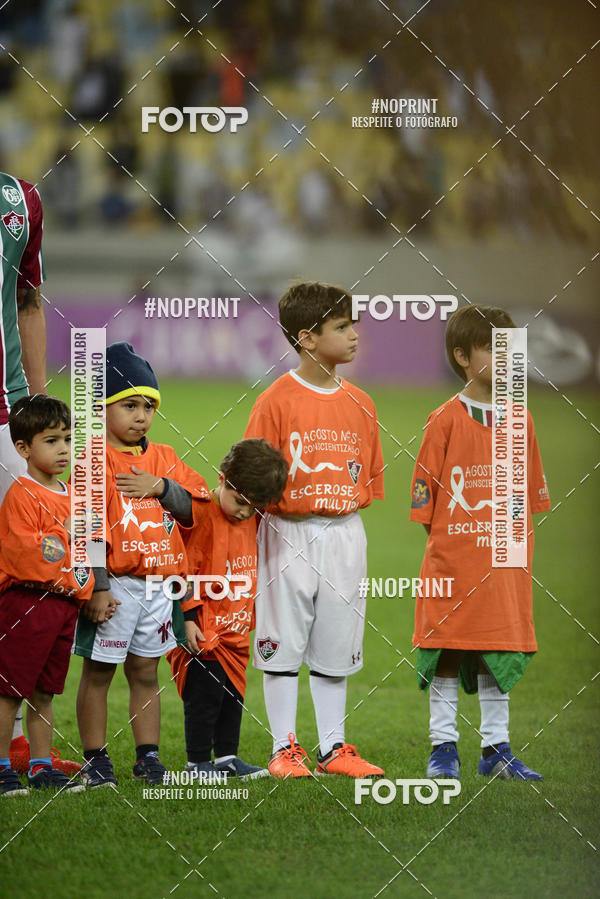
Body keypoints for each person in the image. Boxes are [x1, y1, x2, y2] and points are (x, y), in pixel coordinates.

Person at [244, 281, 385, 778]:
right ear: (307, 338)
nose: (354, 334)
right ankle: (284, 748)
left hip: (345, 533)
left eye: (353, 324)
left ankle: (333, 748)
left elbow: (365, 478)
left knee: (335, 642)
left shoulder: (363, 403)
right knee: (281, 641)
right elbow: (251, 478)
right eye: (341, 327)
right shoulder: (276, 400)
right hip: (287, 532)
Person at [409, 304, 551, 780]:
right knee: (447, 651)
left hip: (505, 567)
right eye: (494, 348)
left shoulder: (522, 421)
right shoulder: (443, 419)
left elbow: (527, 501)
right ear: (463, 356)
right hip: (454, 564)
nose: (507, 358)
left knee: (496, 651)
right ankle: (443, 748)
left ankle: (496, 749)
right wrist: (459, 548)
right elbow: (428, 509)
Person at [73, 342, 210, 788]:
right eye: (129, 404)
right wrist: (96, 586)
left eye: (149, 406)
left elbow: (196, 508)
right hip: (113, 588)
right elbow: (87, 527)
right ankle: (95, 757)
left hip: (158, 589)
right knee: (98, 672)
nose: (141, 416)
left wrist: (160, 486)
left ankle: (148, 757)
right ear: (101, 407)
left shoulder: (165, 458)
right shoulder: (93, 461)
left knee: (146, 672)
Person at [168, 438, 289, 780]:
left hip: (235, 628)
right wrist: (188, 618)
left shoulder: (251, 519)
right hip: (203, 626)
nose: (245, 512)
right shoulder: (200, 512)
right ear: (221, 479)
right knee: (204, 697)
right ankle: (196, 763)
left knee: (232, 695)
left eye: (254, 507)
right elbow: (180, 569)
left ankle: (226, 758)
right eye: (240, 502)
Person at [0, 396, 93, 795]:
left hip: (63, 607)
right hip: (26, 603)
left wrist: (89, 592)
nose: (63, 450)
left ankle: (40, 765)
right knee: (9, 692)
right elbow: (29, 556)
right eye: (51, 441)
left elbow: (85, 554)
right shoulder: (22, 495)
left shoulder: (75, 495)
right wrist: (63, 532)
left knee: (44, 692)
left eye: (68, 440)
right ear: (23, 448)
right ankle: (2, 765)